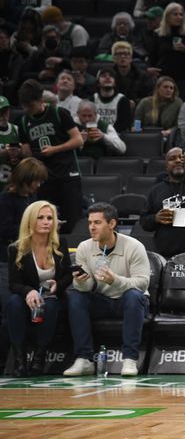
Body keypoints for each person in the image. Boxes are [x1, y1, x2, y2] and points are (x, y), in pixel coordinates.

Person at [63, 203, 150, 377]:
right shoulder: (84, 247)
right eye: (89, 223)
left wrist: (115, 281)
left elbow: (142, 283)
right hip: (102, 300)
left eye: (97, 223)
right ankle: (84, 359)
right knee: (75, 297)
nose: (92, 227)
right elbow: (87, 288)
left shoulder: (134, 246)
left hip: (130, 302)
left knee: (133, 296)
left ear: (111, 224)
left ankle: (130, 359)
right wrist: (81, 282)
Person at [6, 201, 72, 377]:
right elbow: (13, 283)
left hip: (53, 298)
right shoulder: (16, 249)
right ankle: (19, 360)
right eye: (40, 218)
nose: (46, 222)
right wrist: (29, 291)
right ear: (30, 221)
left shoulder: (60, 244)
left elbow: (68, 276)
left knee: (49, 306)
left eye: (50, 218)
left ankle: (39, 358)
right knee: (13, 303)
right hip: (27, 299)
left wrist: (58, 285)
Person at [17, 80, 83, 233]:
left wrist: (55, 149)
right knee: (44, 220)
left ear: (41, 100)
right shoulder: (23, 121)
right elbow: (26, 152)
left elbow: (78, 140)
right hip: (43, 177)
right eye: (25, 106)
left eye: (31, 106)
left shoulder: (59, 113)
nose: (27, 109)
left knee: (72, 219)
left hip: (68, 173)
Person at [0, 158, 48, 310]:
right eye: (35, 181)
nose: (38, 185)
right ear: (24, 179)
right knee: (9, 301)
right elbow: (4, 229)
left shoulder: (31, 197)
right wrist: (33, 227)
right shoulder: (5, 200)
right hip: (6, 257)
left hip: (27, 255)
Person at [150, 2, 185, 99]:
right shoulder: (158, 34)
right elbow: (153, 55)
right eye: (175, 14)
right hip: (164, 75)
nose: (179, 17)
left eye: (181, 14)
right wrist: (150, 68)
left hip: (183, 76)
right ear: (167, 16)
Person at [93, 67, 134, 132]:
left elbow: (123, 126)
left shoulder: (122, 100)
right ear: (98, 83)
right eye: (103, 76)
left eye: (111, 76)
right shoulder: (92, 99)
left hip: (116, 136)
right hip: (96, 135)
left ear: (115, 83)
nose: (107, 78)